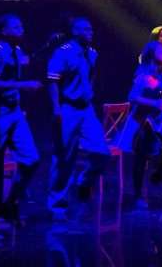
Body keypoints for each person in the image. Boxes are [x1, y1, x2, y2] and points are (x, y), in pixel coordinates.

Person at [0, 14, 42, 237]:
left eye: (21, 24)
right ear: (3, 31)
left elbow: (25, 64)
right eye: (15, 26)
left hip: (15, 113)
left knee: (31, 159)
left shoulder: (16, 51)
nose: (21, 28)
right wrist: (24, 85)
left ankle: (10, 203)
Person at [46, 17, 111, 212]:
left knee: (102, 153)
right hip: (68, 108)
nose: (90, 32)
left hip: (86, 109)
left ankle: (84, 180)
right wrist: (56, 108)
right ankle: (56, 202)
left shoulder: (92, 53)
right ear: (74, 31)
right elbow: (52, 80)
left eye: (91, 29)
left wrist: (89, 94)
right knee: (64, 156)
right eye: (85, 29)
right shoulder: (63, 52)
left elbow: (91, 77)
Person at [117, 41, 162, 209]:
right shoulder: (144, 73)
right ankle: (138, 196)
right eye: (161, 50)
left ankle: (157, 175)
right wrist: (155, 103)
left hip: (158, 116)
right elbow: (132, 96)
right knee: (142, 155)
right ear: (152, 54)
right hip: (142, 117)